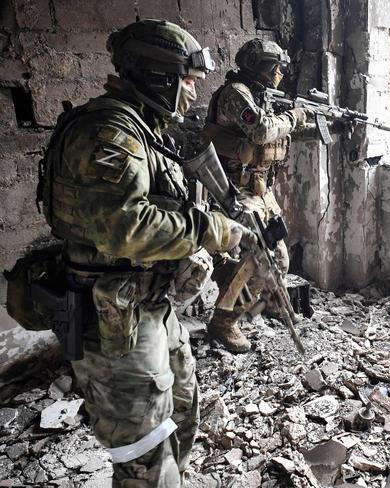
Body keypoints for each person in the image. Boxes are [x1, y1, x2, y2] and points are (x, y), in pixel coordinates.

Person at [39, 19, 255, 486]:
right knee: (145, 462)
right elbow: (123, 227)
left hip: (152, 307)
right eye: (190, 81)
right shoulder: (108, 132)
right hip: (115, 324)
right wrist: (209, 229)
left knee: (183, 417)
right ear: (162, 76)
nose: (194, 94)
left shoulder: (144, 127)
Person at [203, 38, 311, 353]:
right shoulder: (236, 94)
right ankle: (223, 321)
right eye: (274, 65)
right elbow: (262, 131)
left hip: (260, 191)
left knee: (279, 247)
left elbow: (276, 132)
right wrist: (294, 117)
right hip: (231, 189)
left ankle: (269, 298)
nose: (279, 71)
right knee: (268, 255)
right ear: (257, 66)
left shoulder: (260, 96)